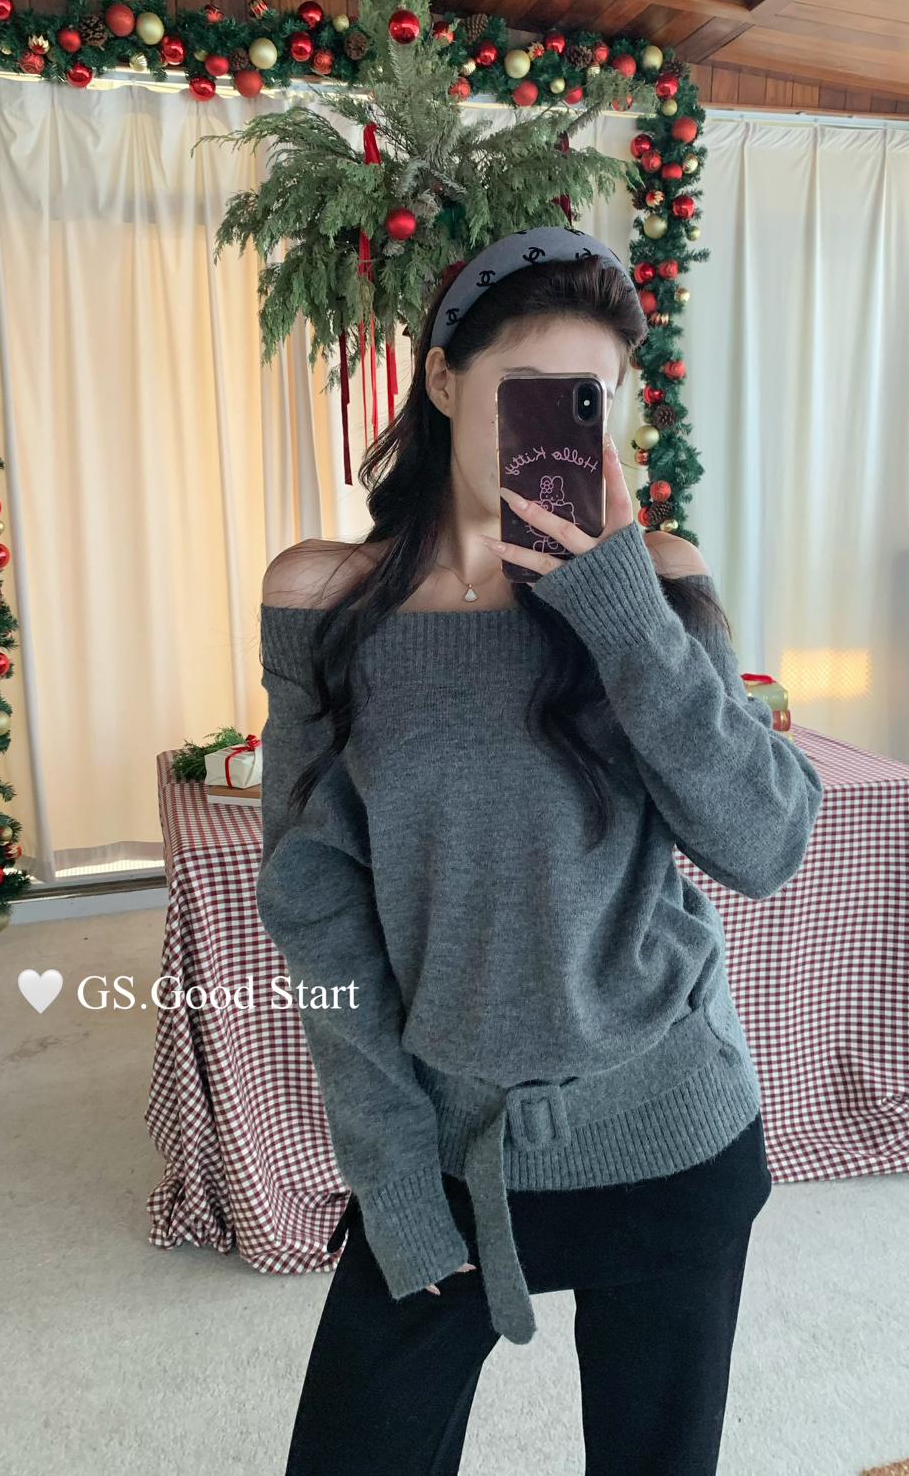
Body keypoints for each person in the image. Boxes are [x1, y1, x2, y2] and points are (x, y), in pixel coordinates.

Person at [256, 225, 824, 1475]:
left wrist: (615, 603)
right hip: (449, 1149)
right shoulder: (323, 597)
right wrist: (392, 1178)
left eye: (587, 404)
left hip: (672, 1128)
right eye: (526, 393)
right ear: (442, 378)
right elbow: (316, 909)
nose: (554, 436)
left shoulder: (653, 581)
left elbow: (765, 841)